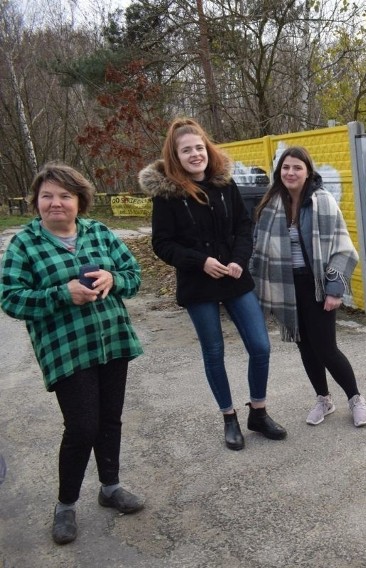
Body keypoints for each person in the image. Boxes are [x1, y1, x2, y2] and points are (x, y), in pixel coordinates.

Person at [0, 163, 145, 544]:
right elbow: (11, 299)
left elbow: (134, 277)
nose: (56, 203)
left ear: (80, 201)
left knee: (110, 419)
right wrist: (61, 294)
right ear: (36, 202)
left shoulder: (98, 232)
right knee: (82, 427)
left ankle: (110, 487)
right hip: (66, 350)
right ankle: (66, 505)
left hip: (112, 341)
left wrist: (115, 279)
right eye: (47, 196)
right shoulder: (26, 244)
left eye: (65, 196)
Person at [139, 117, 286, 450]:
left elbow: (244, 227)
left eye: (199, 147)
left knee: (261, 346)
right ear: (175, 156)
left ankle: (258, 412)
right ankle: (229, 418)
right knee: (214, 352)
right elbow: (162, 244)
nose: (195, 154)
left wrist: (238, 259)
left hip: (234, 277)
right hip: (198, 284)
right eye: (186, 150)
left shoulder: (224, 184)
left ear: (207, 148)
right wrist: (200, 262)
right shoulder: (168, 195)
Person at [251, 146, 366, 427]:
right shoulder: (270, 205)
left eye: (297, 167)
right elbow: (258, 250)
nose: (290, 172)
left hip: (317, 284)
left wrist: (334, 289)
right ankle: (323, 399)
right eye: (285, 168)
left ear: (307, 172)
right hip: (287, 288)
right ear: (279, 172)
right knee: (304, 347)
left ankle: (356, 399)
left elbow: (342, 248)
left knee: (326, 347)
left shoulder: (322, 201)